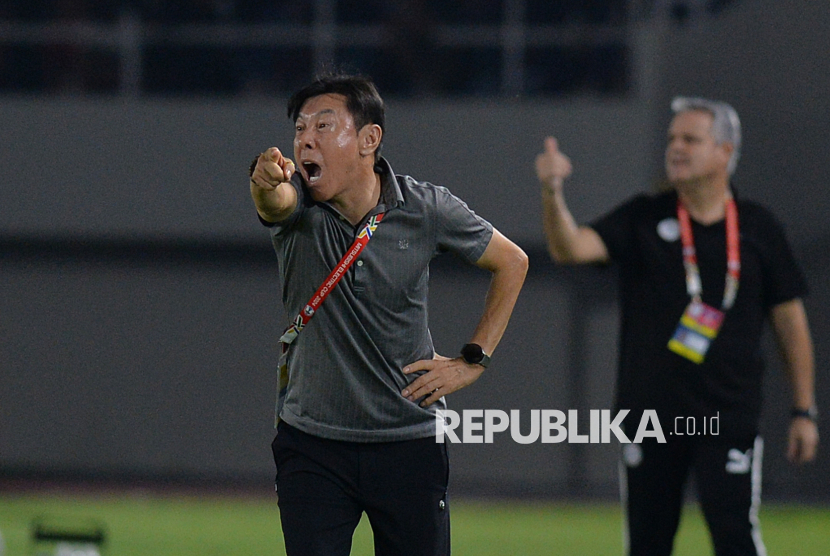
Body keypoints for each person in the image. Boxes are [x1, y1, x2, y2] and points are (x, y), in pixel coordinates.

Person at [249, 73, 528, 556]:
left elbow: (513, 262)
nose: (305, 139)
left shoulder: (425, 207)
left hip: (409, 443)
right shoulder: (300, 207)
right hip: (313, 445)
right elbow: (275, 203)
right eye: (299, 129)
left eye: (323, 125)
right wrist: (262, 181)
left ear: (369, 139)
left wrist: (472, 360)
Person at [536, 97, 818, 556]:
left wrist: (804, 411)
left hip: (727, 415)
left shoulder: (759, 228)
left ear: (725, 151)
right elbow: (571, 247)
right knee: (647, 543)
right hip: (650, 415)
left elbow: (791, 323)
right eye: (671, 139)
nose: (676, 147)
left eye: (690, 139)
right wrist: (552, 192)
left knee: (735, 536)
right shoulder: (644, 215)